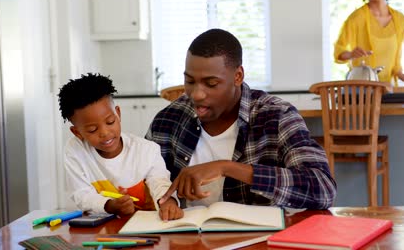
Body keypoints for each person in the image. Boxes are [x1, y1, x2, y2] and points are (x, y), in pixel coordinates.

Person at [147, 29, 337, 209]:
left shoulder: (276, 116)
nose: (196, 95)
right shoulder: (168, 120)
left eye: (211, 84)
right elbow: (141, 181)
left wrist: (227, 168)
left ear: (237, 76)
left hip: (257, 241)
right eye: (189, 81)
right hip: (186, 240)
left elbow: (322, 188)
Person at [58, 73, 183, 221]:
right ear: (77, 132)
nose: (105, 133)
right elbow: (81, 194)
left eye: (110, 122)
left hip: (148, 225)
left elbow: (160, 182)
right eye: (92, 130)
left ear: (118, 114)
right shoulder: (76, 151)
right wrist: (109, 205)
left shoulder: (146, 150)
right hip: (103, 228)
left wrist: (168, 202)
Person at [334, 0, 404, 86]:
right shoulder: (355, 19)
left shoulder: (400, 20)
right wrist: (351, 54)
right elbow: (339, 52)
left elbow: (396, 61)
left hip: (388, 89)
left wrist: (401, 74)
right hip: (362, 90)